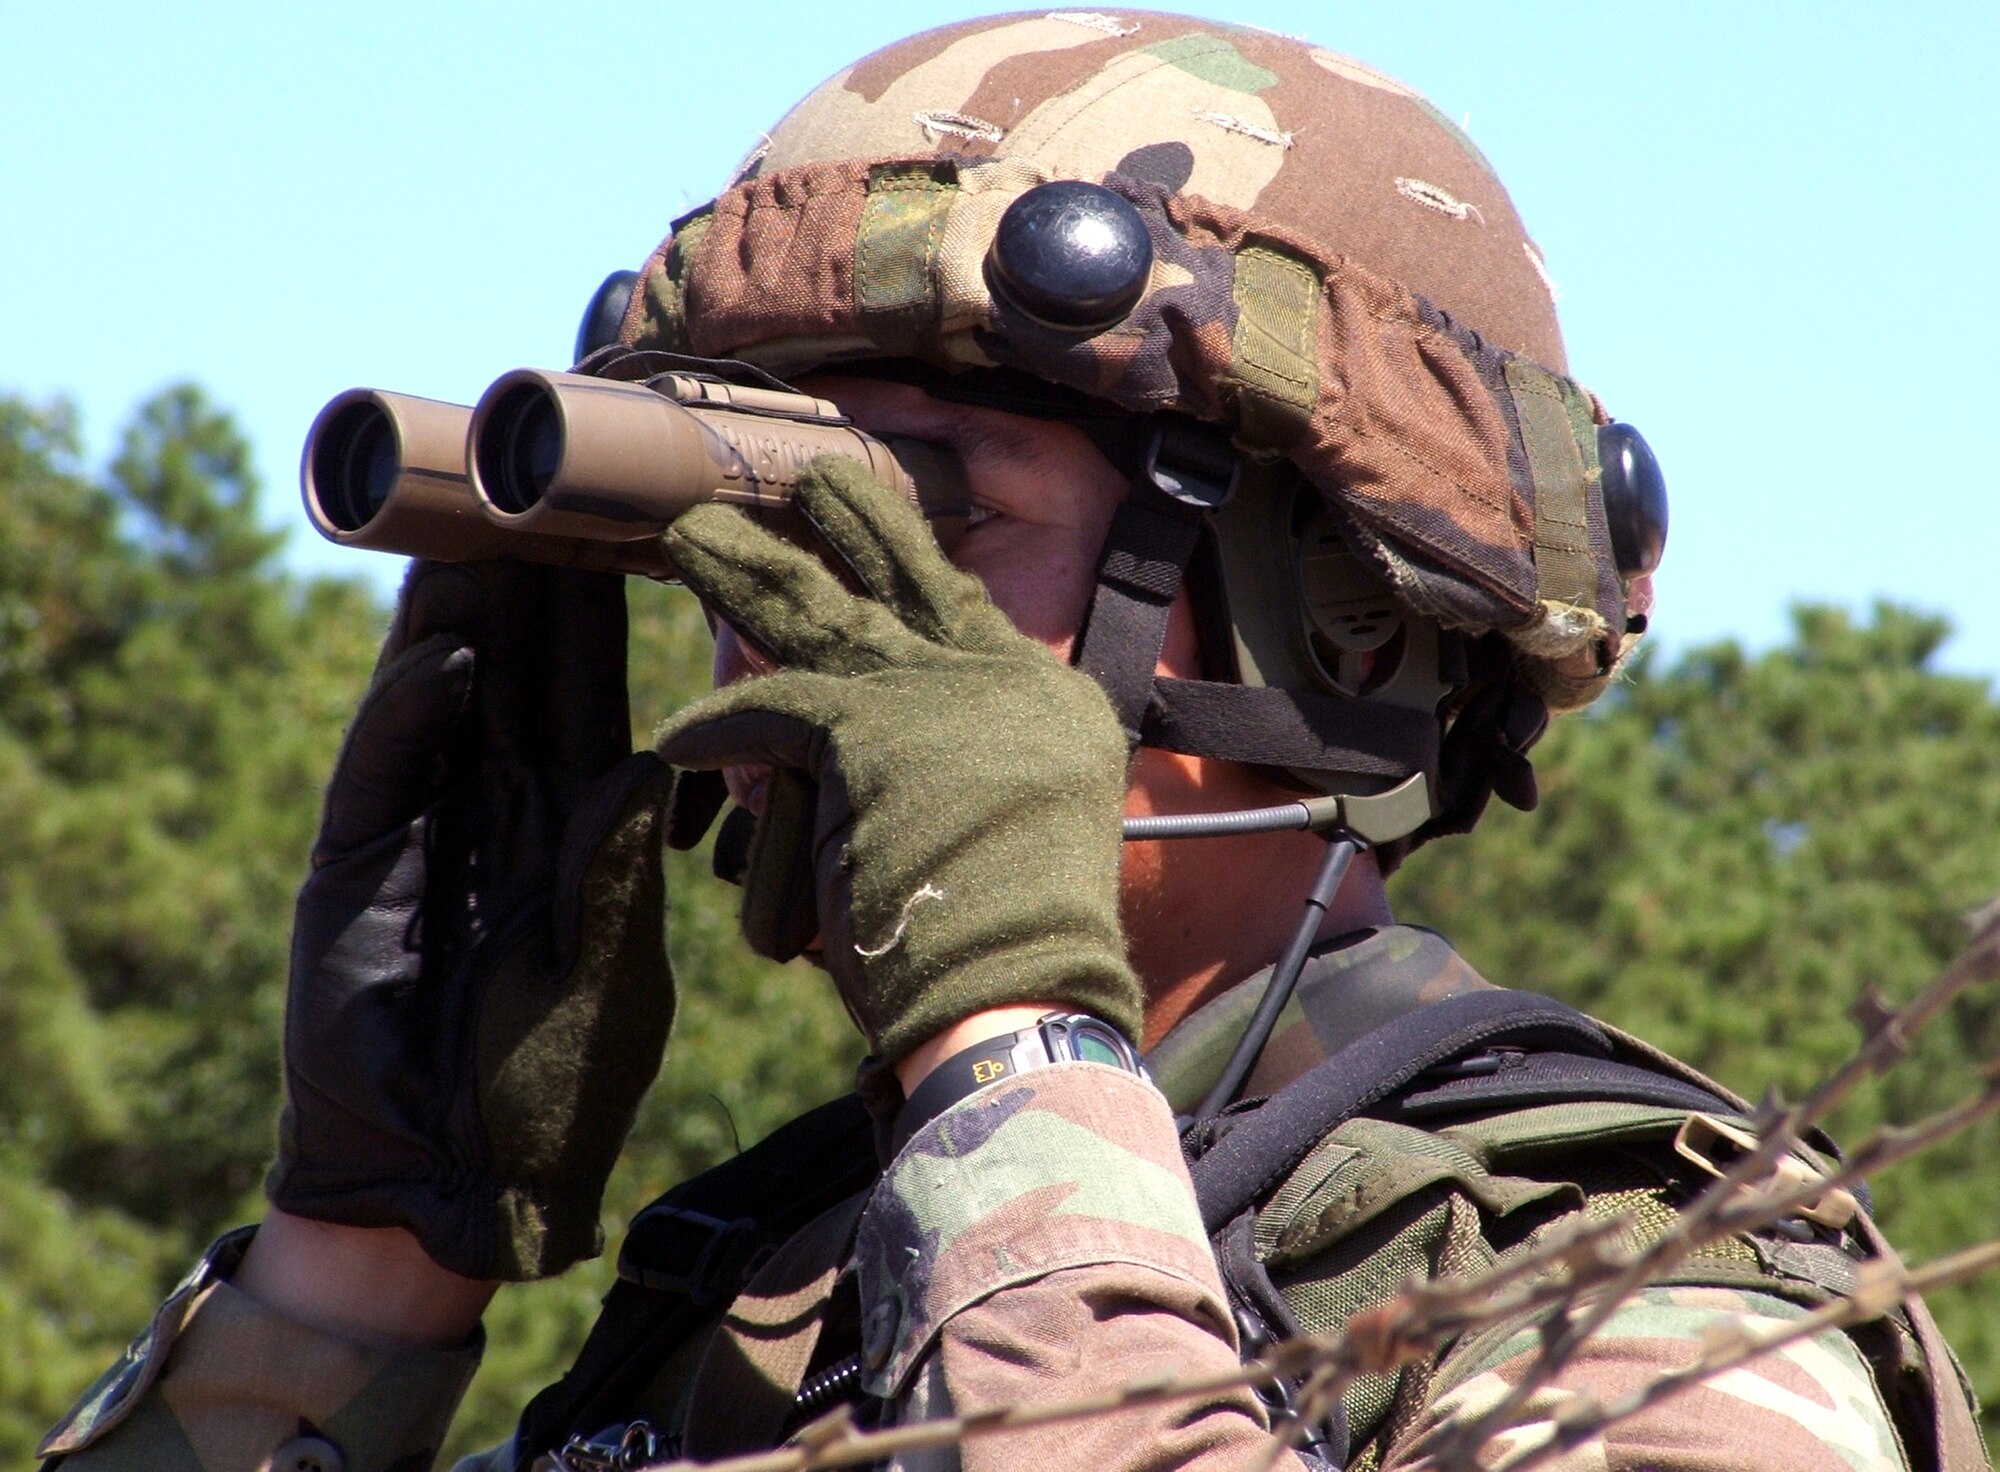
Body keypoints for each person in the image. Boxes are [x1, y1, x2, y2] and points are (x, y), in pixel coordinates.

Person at [40, 13, 1983, 1472]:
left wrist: (1013, 1050)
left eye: (927, 520)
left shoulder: (1634, 1281)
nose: (786, 623)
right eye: (749, 525)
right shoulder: (762, 1285)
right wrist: (351, 1285)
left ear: (1336, 611)